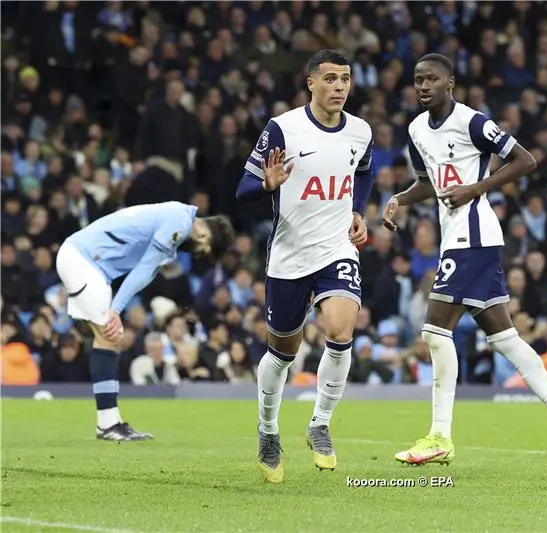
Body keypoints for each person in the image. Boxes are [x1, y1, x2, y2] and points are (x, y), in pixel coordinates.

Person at [382, 53, 547, 468]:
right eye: (418, 79)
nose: (423, 86)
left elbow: (526, 160)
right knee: (504, 339)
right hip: (457, 238)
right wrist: (401, 199)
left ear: (451, 83)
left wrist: (476, 187)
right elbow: (429, 183)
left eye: (432, 79)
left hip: (474, 235)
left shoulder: (473, 122)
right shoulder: (416, 129)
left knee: (434, 332)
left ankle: (440, 435)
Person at [236, 49, 374, 483]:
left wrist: (358, 211)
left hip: (337, 249)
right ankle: (268, 430)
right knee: (283, 352)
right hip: (289, 255)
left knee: (340, 328)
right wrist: (266, 183)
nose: (339, 87)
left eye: (345, 79)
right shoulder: (283, 128)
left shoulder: (360, 131)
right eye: (330, 78)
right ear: (310, 82)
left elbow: (365, 171)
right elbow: (242, 190)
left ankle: (319, 423)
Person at [55, 202, 235, 441]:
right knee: (110, 336)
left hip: (88, 263)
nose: (198, 253)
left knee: (109, 337)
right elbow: (144, 268)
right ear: (205, 235)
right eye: (204, 250)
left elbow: (146, 273)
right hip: (83, 260)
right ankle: (108, 425)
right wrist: (116, 309)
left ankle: (108, 422)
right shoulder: (179, 224)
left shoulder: (177, 216)